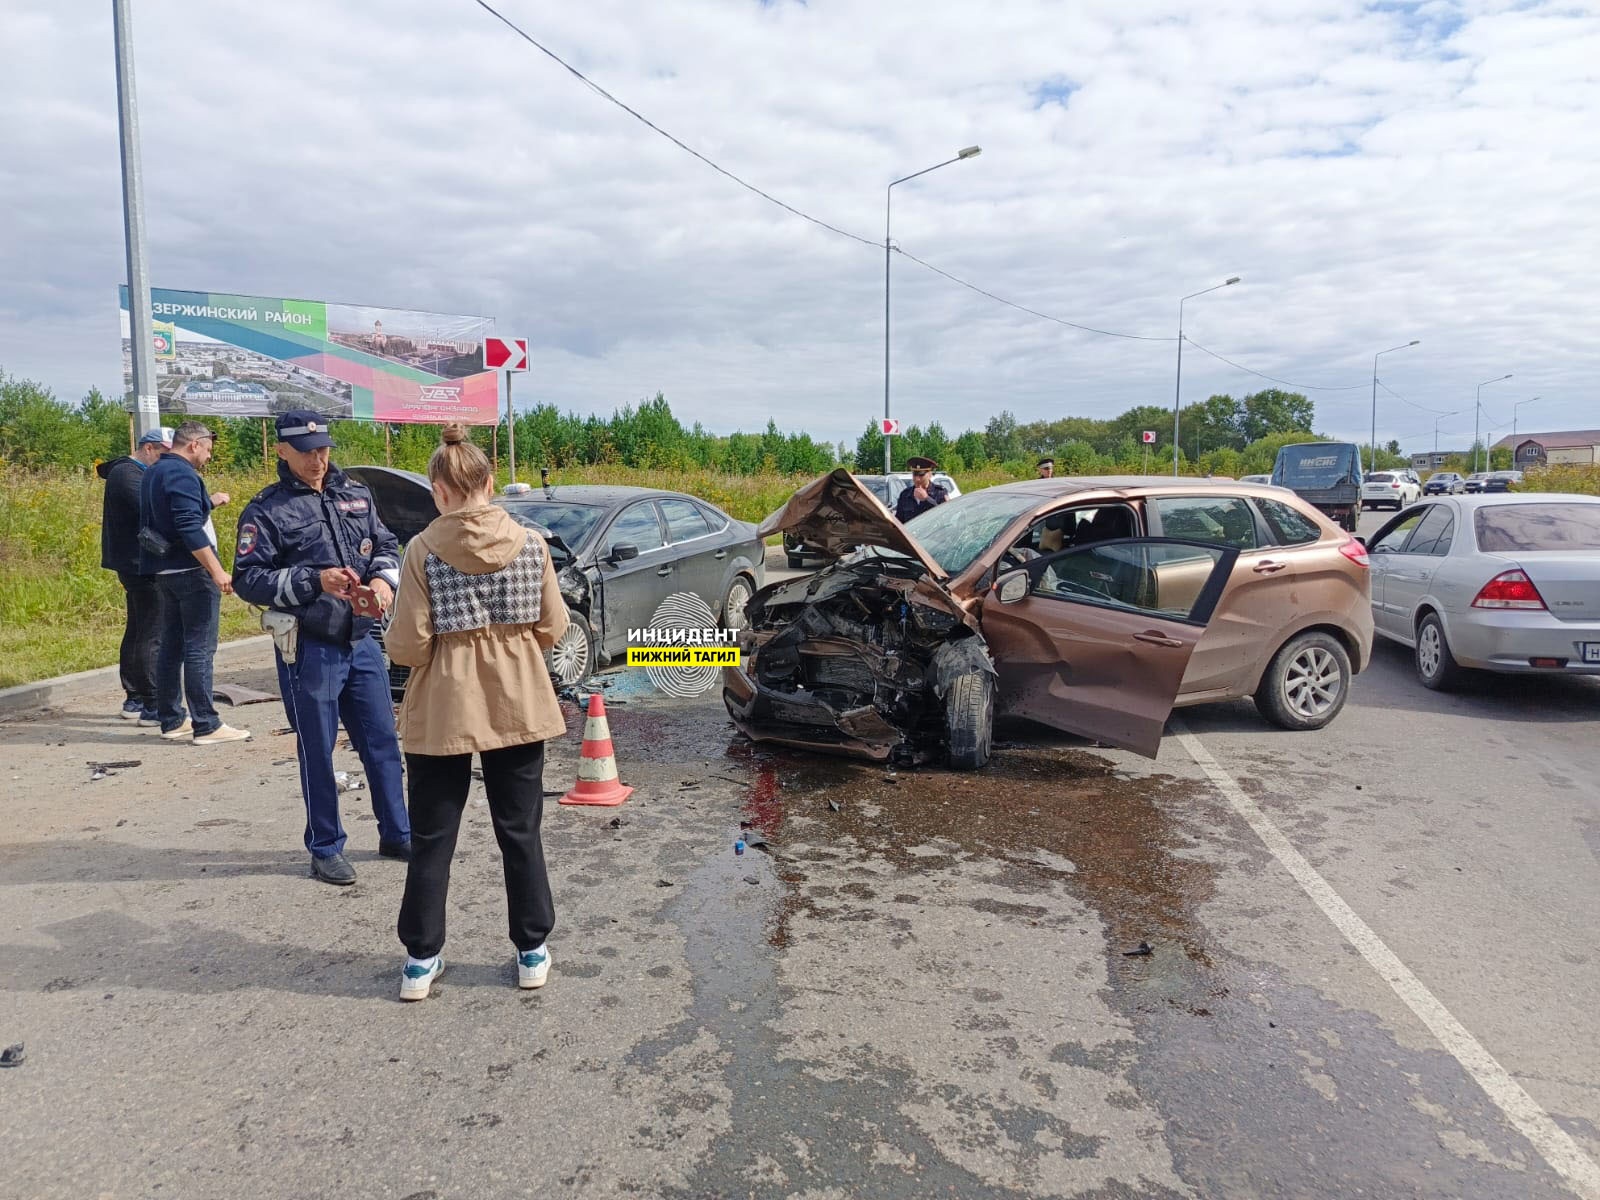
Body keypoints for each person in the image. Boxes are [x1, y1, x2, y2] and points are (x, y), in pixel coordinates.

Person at [384, 424, 569, 1002]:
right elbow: (553, 627)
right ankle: (531, 950)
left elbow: (410, 646)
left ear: (438, 489)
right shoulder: (533, 543)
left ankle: (421, 958)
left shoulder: (421, 550)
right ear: (490, 483)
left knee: (434, 834)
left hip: (443, 706)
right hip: (518, 701)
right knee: (520, 829)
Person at [232, 411, 411, 886]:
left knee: (382, 741)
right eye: (307, 451)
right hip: (309, 646)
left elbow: (386, 543)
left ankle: (397, 831)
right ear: (282, 451)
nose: (319, 459)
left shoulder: (354, 492)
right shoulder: (266, 510)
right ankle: (326, 847)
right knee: (318, 749)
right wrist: (315, 580)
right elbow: (248, 579)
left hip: (362, 639)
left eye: (324, 449)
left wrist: (382, 580)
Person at [139, 421, 249, 746]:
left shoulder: (153, 472)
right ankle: (207, 724)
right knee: (200, 648)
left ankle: (172, 719)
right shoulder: (182, 473)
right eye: (209, 450)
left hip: (164, 571)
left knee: (171, 648)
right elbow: (187, 526)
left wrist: (209, 502)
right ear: (194, 445)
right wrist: (217, 571)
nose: (209, 458)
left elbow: (168, 516)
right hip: (191, 572)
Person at [99, 426, 173, 723]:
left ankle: (135, 697)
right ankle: (150, 702)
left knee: (141, 626)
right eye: (166, 456)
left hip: (135, 560)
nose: (170, 463)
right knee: (151, 630)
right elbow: (154, 509)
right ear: (149, 449)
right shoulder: (128, 474)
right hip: (138, 563)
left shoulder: (131, 473)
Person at [894, 456, 949, 522]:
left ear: (930, 474)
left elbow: (944, 517)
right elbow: (899, 521)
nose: (917, 479)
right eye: (914, 475)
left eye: (921, 475)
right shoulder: (905, 495)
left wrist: (926, 499)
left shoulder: (940, 493)